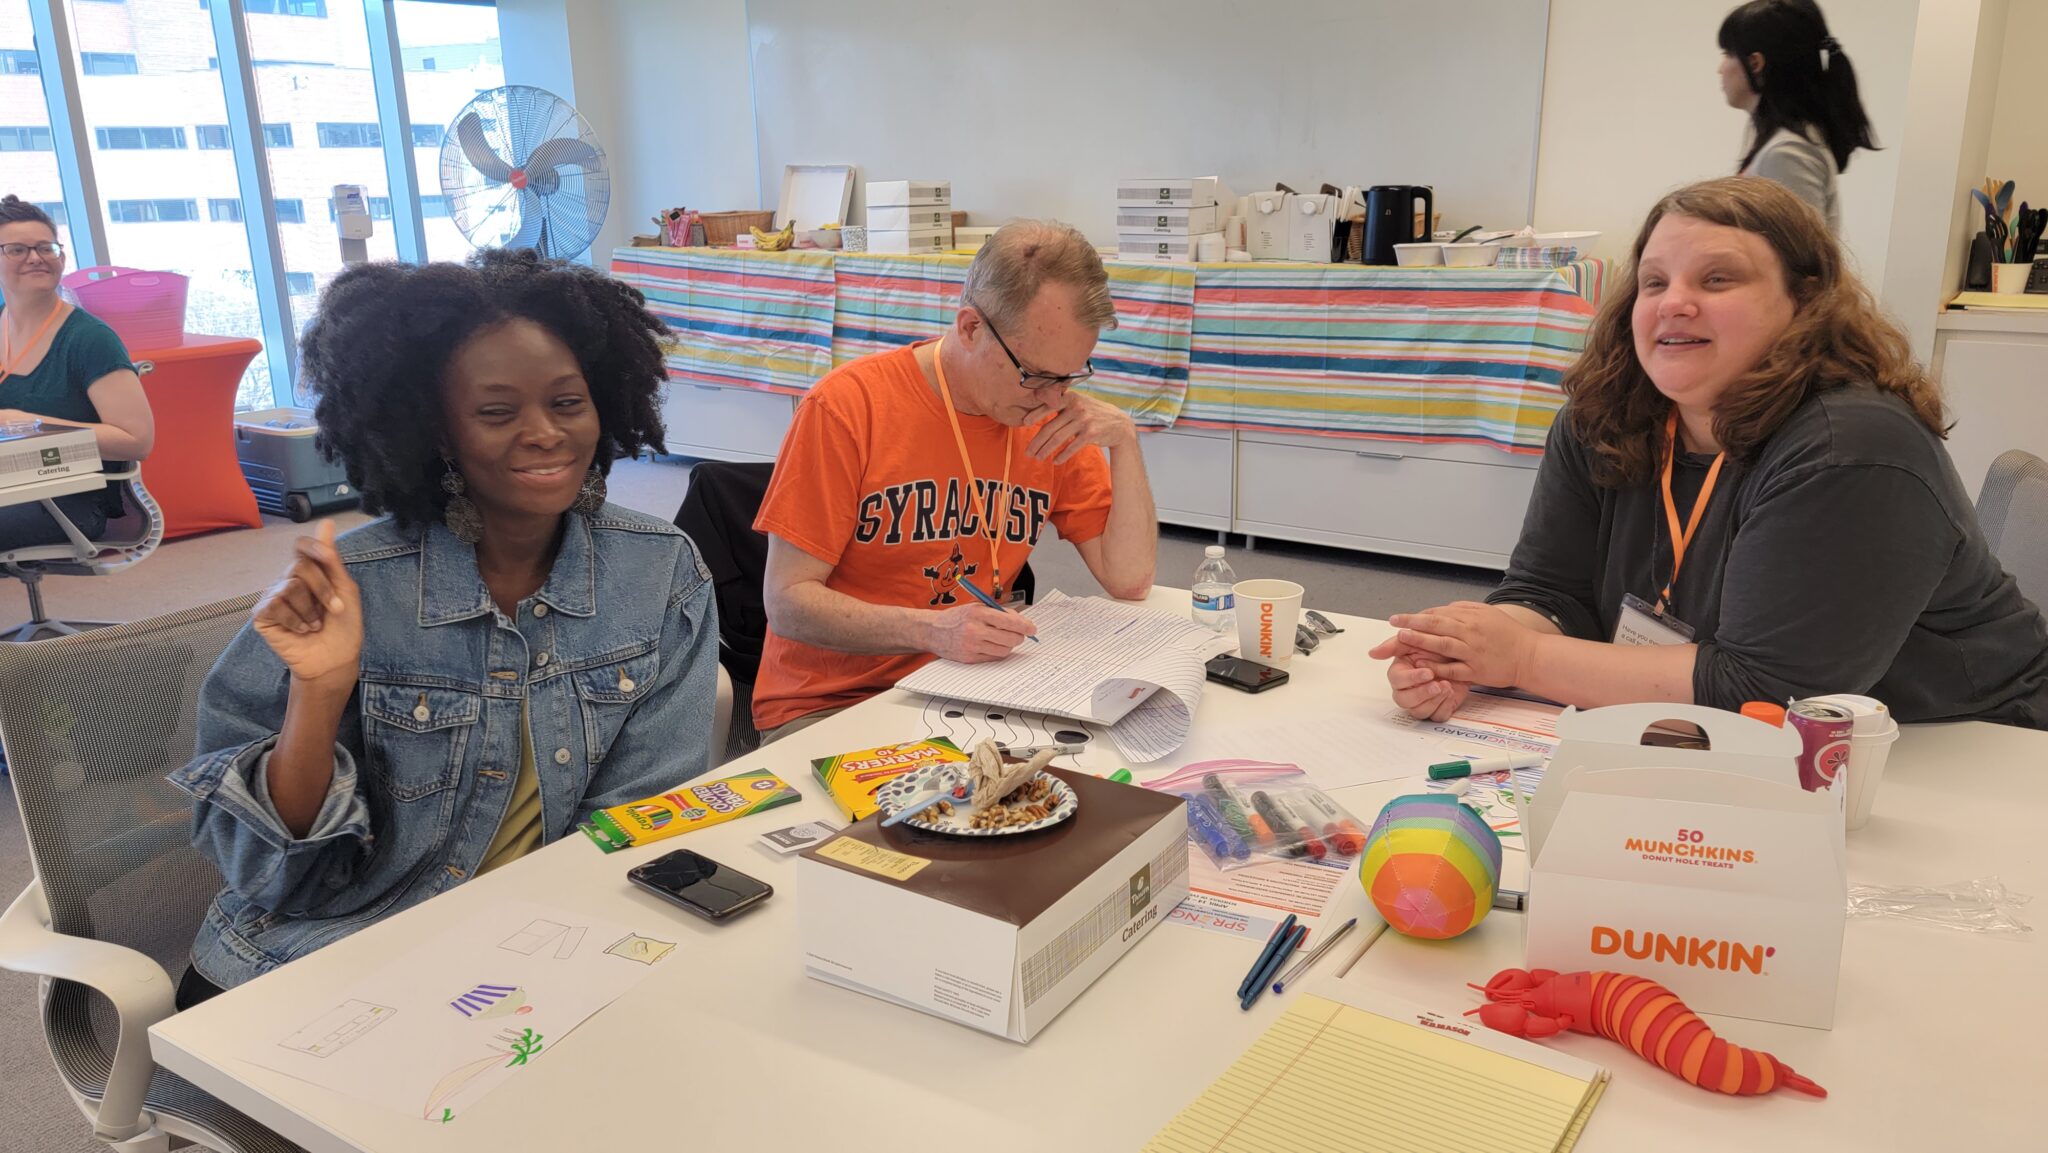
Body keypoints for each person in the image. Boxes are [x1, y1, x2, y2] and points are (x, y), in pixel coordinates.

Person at [170, 250, 721, 1004]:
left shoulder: (658, 572)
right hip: (321, 958)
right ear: (434, 430)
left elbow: (635, 824)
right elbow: (270, 873)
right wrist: (320, 691)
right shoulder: (351, 588)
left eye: (567, 402)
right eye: (497, 412)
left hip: (530, 953)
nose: (545, 434)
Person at [1372, 177, 2048, 730]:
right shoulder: (1603, 412)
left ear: (1804, 302)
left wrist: (1519, 657)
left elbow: (1765, 694)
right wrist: (1462, 654)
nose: (1675, 304)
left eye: (1719, 280)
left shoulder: (1855, 447)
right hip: (1713, 734)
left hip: (1963, 746)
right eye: (1655, 281)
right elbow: (1551, 593)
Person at [752, 220, 1158, 741]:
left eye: (1071, 376)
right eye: (1035, 375)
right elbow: (786, 603)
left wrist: (1124, 440)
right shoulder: (847, 408)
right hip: (833, 703)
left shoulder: (1046, 415)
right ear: (970, 328)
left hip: (977, 689)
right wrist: (928, 630)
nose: (1054, 399)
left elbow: (1129, 580)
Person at [0, 195, 154, 545]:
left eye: (45, 248)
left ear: (62, 257)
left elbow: (138, 441)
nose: (35, 258)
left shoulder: (89, 339)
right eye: (17, 250)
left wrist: (30, 426)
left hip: (65, 500)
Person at [1717, 0, 1876, 232]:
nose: (1720, 68)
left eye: (1728, 54)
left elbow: (1800, 258)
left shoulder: (1787, 152)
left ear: (1755, 63)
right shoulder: (1778, 145)